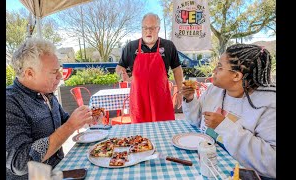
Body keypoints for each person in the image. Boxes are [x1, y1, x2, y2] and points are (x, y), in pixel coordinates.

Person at [181, 44, 276, 179]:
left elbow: (272, 164)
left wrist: (224, 126)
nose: (214, 70)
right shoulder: (215, 90)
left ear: (236, 75)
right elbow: (197, 122)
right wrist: (190, 99)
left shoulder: (268, 104)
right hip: (208, 164)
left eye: (219, 67)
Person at [6, 38, 96, 179]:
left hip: (59, 170)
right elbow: (20, 162)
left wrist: (86, 118)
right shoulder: (10, 102)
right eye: (54, 72)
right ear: (30, 73)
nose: (60, 76)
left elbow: (65, 121)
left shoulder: (46, 93)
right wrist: (71, 126)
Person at [115, 12, 184, 123]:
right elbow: (119, 67)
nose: (148, 31)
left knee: (164, 131)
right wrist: (122, 74)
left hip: (161, 100)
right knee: (140, 136)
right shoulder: (131, 47)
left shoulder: (168, 46)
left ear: (158, 29)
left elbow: (177, 69)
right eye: (145, 28)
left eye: (152, 28)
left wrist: (180, 91)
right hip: (139, 101)